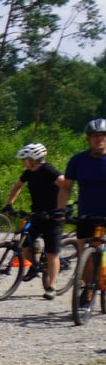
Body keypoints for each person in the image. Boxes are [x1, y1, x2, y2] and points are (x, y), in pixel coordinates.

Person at [4, 143, 67, 298]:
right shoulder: (29, 172)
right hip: (38, 213)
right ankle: (36, 266)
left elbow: (65, 184)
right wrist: (9, 203)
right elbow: (18, 186)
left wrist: (61, 208)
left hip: (53, 216)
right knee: (25, 247)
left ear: (34, 158)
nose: (23, 162)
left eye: (24, 159)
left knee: (52, 253)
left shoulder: (48, 170)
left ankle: (51, 287)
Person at [58, 118, 106, 296]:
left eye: (102, 136)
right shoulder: (78, 160)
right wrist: (61, 211)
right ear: (88, 139)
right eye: (94, 136)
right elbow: (66, 187)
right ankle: (88, 290)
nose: (98, 139)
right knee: (84, 252)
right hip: (87, 212)